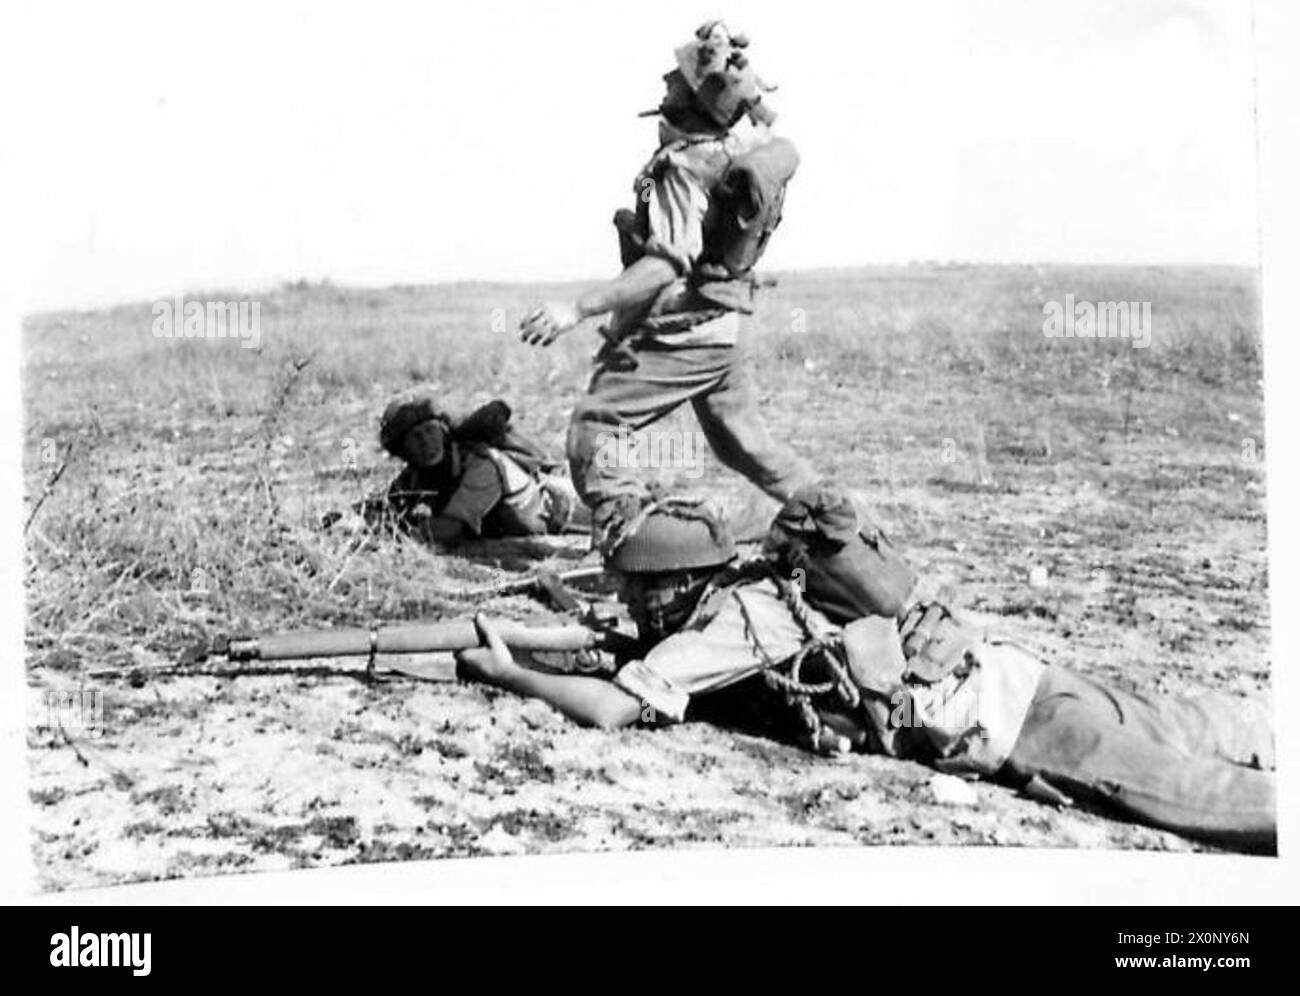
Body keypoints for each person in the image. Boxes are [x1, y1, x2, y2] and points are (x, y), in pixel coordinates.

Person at [456, 486, 1277, 853]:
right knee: (1216, 729)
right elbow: (617, 641)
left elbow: (613, 708)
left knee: (1210, 804)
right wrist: (555, 620)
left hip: (1021, 727)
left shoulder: (734, 621)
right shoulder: (754, 584)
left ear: (671, 586)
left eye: (636, 588)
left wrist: (506, 672)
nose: (629, 602)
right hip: (1022, 676)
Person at [516, 21, 815, 552]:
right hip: (728, 327)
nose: (666, 82)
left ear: (696, 102)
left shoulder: (680, 167)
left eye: (677, 79)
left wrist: (576, 309)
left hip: (691, 330)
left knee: (597, 426)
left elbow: (666, 265)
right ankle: (837, 521)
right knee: (745, 445)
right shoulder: (727, 149)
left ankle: (631, 554)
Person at [369, 392, 580, 544]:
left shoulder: (481, 463)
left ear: (443, 432)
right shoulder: (419, 473)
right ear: (403, 451)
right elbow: (389, 506)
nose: (426, 442)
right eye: (415, 437)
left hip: (574, 511)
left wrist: (400, 533)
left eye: (430, 430)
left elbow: (451, 528)